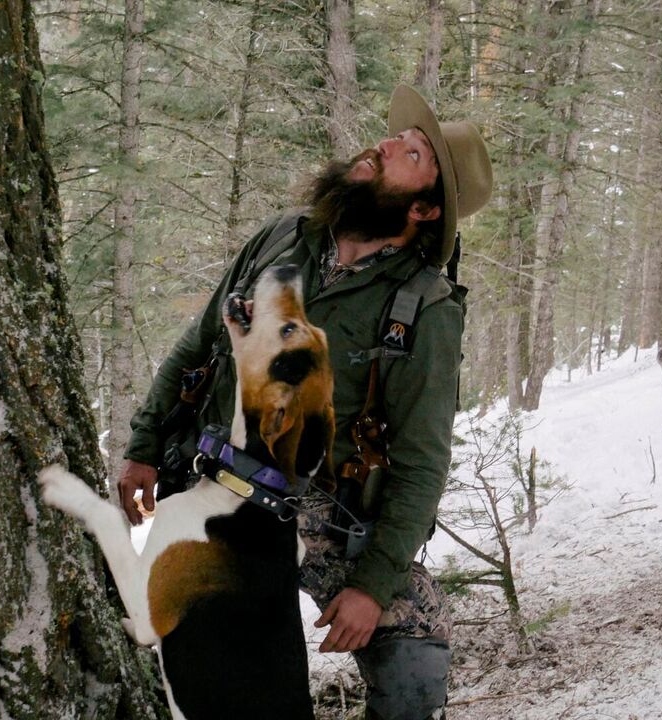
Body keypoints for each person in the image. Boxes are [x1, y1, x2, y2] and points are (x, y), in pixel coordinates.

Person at [117, 85, 493, 720]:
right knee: (220, 686)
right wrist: (145, 445)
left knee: (416, 637)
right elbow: (198, 343)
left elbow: (421, 463)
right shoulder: (284, 235)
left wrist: (371, 587)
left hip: (316, 509)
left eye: (413, 153)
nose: (386, 144)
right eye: (399, 136)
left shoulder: (423, 308)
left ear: (424, 210)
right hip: (212, 481)